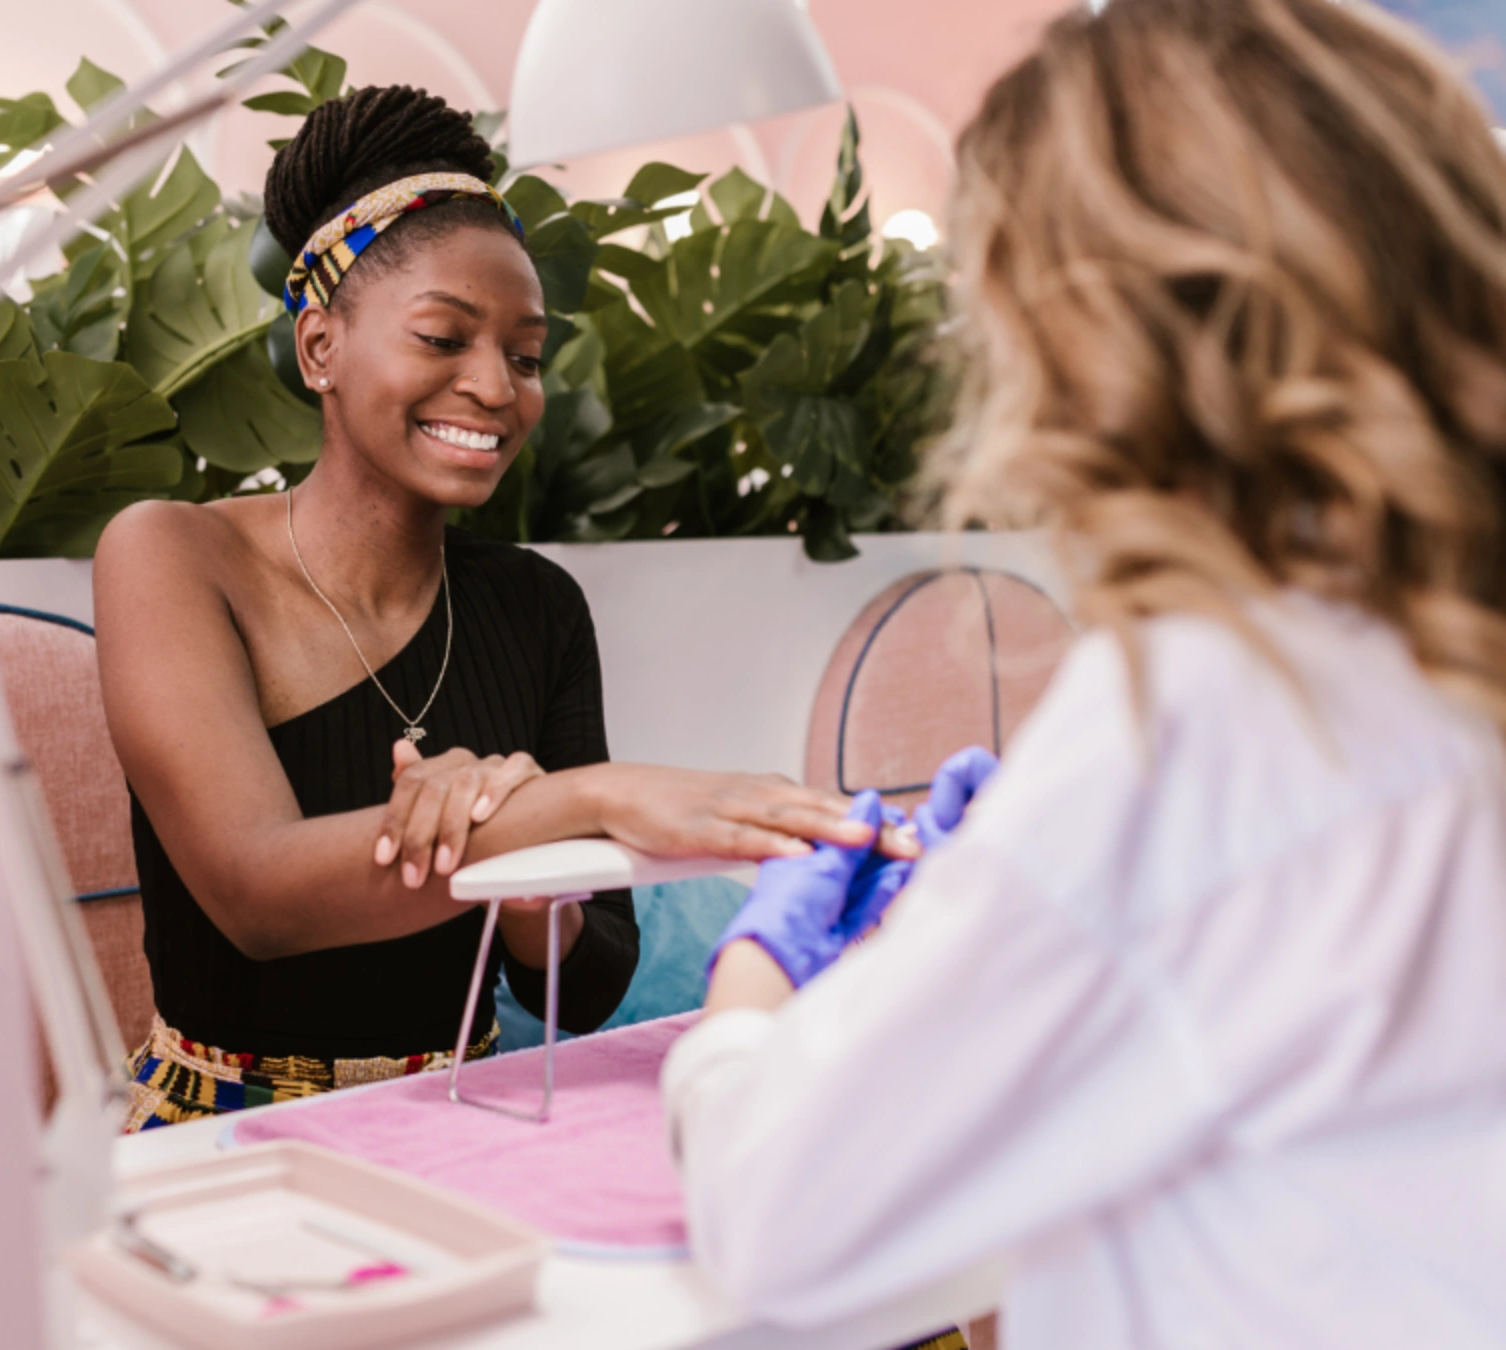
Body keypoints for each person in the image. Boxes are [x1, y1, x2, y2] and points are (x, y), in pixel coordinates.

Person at [662, 1, 1506, 1346]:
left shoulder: (1210, 718)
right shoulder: (1443, 658)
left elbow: (784, 1218)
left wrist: (755, 982)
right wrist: (1027, 892)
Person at [94, 86, 875, 1131]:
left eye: (523, 355)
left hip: (465, 1111)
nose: (497, 388)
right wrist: (575, 804)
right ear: (320, 347)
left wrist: (521, 884)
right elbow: (258, 897)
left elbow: (581, 987)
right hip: (222, 1137)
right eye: (443, 337)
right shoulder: (171, 554)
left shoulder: (536, 606)